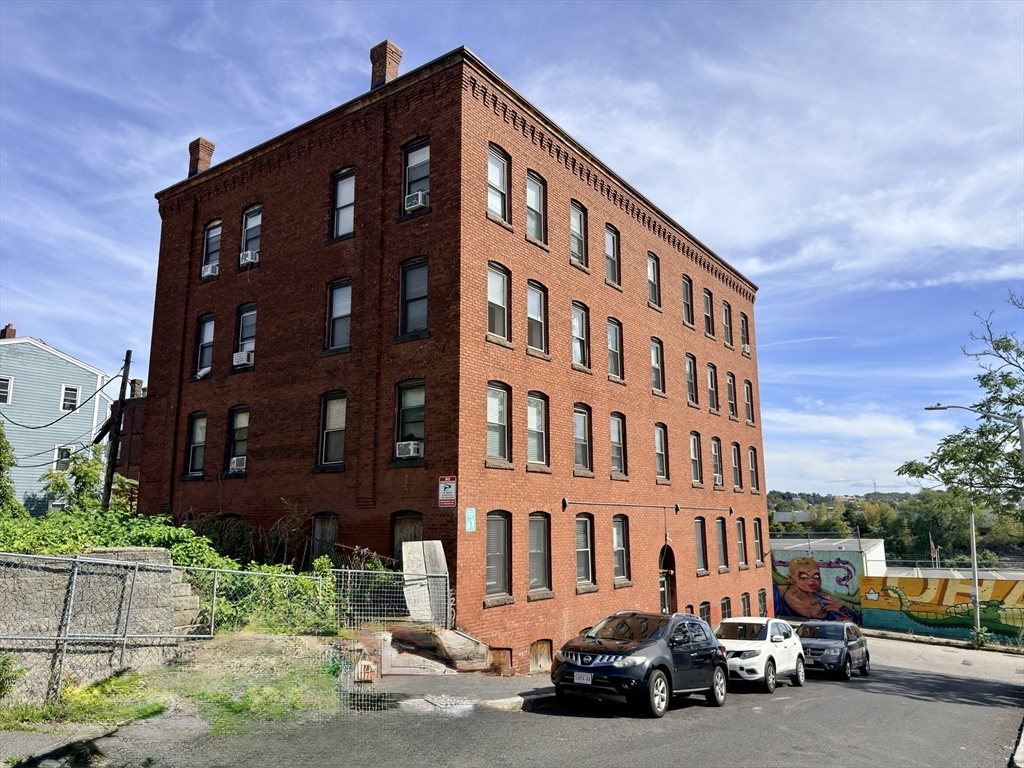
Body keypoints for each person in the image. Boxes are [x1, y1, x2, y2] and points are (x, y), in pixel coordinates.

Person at [774, 556, 858, 621]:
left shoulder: (825, 601)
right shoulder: (775, 594)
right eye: (804, 576)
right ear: (791, 577)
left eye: (816, 575)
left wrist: (847, 614)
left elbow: (850, 620)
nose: (813, 580)